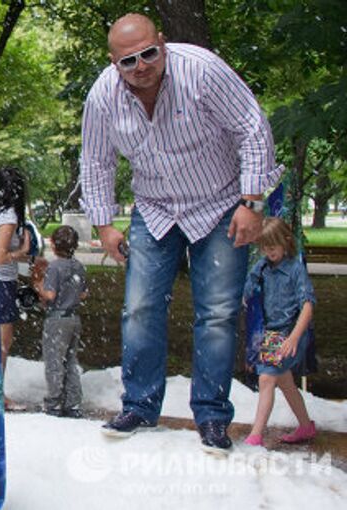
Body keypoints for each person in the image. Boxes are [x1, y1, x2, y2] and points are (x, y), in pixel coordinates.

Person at [80, 13, 282, 453]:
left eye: (149, 53)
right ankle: (139, 405)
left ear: (163, 44)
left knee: (217, 314)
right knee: (139, 308)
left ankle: (211, 417)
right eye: (128, 60)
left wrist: (251, 203)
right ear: (114, 63)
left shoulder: (202, 70)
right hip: (154, 210)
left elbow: (251, 127)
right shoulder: (102, 97)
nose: (141, 66)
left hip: (220, 204)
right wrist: (104, 223)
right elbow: (96, 162)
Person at [242, 218, 317, 447]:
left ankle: (256, 435)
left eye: (273, 245)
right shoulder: (262, 267)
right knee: (284, 381)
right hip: (270, 334)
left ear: (286, 241)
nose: (269, 251)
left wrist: (294, 337)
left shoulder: (295, 268)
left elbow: (308, 304)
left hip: (291, 333)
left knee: (266, 378)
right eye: (264, 246)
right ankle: (306, 426)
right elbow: (247, 294)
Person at [33, 226, 88, 418]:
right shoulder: (79, 266)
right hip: (74, 317)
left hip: (57, 319)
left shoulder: (55, 267)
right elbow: (83, 294)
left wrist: (38, 285)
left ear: (54, 245)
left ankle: (54, 402)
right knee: (70, 360)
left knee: (54, 361)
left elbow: (50, 294)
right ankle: (73, 402)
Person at [0, 167, 31, 408]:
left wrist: (24, 259)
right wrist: (22, 252)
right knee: (2, 343)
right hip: (1, 283)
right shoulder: (8, 217)